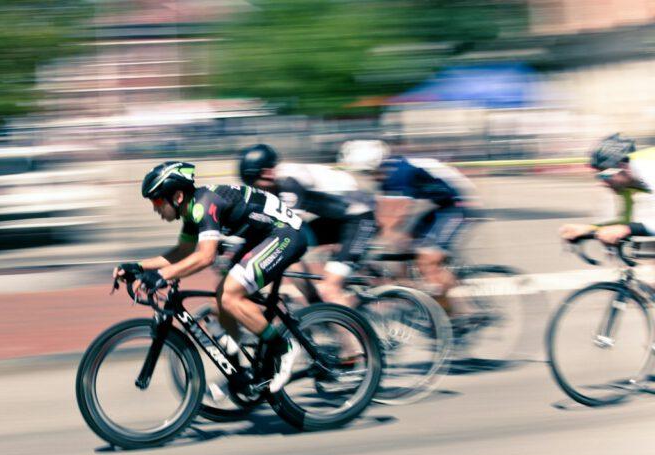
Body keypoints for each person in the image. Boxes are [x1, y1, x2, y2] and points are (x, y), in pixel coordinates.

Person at [114, 161, 308, 393]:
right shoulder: (191, 211)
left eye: (157, 201)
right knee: (218, 304)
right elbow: (182, 253)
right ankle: (238, 370)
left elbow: (205, 257)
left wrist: (160, 276)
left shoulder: (204, 205)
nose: (155, 208)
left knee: (229, 296)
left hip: (284, 234)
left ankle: (283, 347)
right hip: (260, 237)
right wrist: (138, 266)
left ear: (176, 196)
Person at [341, 140, 475, 312]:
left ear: (377, 164)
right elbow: (385, 214)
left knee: (427, 261)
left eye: (368, 172)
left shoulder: (399, 173)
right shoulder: (388, 171)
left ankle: (456, 313)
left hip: (459, 206)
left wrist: (368, 240)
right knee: (403, 248)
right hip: (442, 205)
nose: (369, 176)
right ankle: (414, 294)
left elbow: (394, 215)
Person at [239, 143, 376, 307]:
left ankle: (354, 326)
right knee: (291, 258)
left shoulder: (288, 182)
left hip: (359, 219)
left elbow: (286, 230)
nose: (256, 190)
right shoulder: (275, 179)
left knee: (329, 290)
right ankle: (319, 307)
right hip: (338, 219)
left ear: (267, 173)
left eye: (256, 183)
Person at [559, 134, 655, 245]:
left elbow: (627, 228)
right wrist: (590, 229)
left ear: (623, 166)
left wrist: (627, 229)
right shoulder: (625, 182)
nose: (603, 183)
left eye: (605, 175)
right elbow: (626, 223)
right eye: (598, 176)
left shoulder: (650, 169)